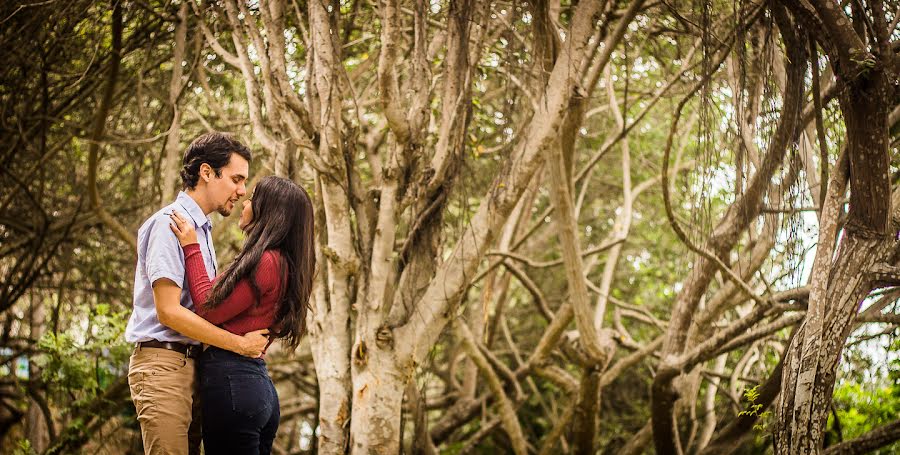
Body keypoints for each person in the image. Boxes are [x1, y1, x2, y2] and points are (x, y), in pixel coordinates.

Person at [124, 132, 270, 455]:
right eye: (235, 179)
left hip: (194, 368)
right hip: (163, 365)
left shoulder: (199, 233)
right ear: (206, 172)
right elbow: (169, 312)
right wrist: (241, 345)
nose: (242, 191)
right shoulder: (168, 224)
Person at [168, 175, 315, 454]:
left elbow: (207, 308)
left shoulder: (266, 261)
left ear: (267, 213)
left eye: (252, 199)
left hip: (234, 384)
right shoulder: (284, 264)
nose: (244, 202)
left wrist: (190, 247)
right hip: (254, 386)